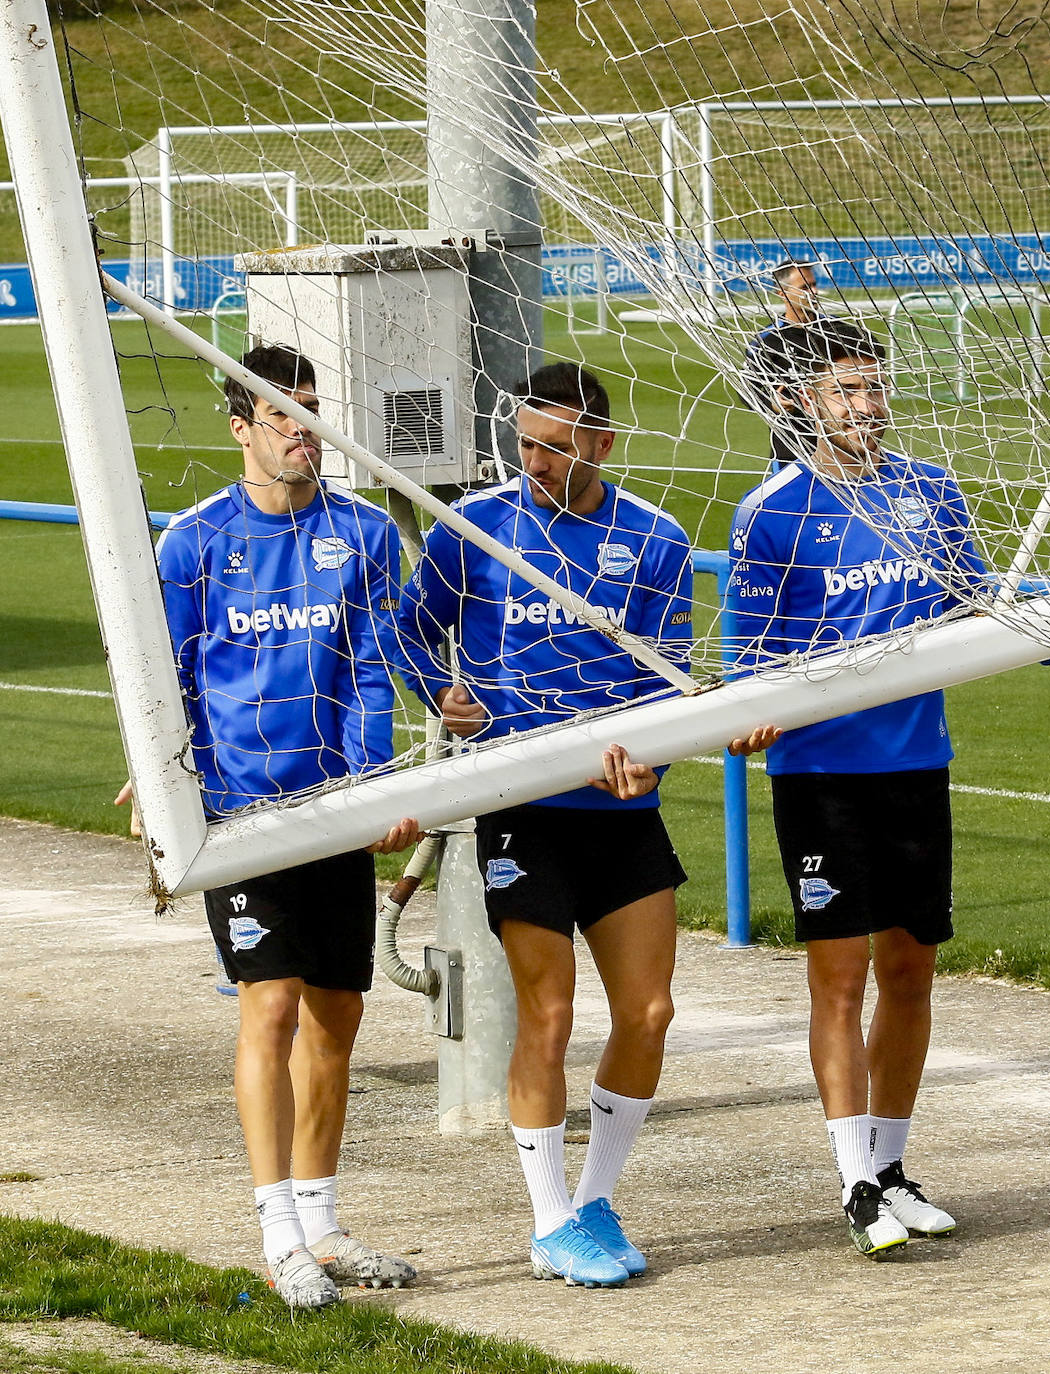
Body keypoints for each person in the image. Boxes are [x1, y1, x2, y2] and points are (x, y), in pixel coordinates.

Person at [396, 363, 770, 1288]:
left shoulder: (655, 538)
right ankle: (548, 1219)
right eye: (523, 443)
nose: (535, 462)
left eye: (554, 447)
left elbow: (671, 675)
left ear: (601, 443)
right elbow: (408, 630)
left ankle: (596, 1198)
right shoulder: (476, 527)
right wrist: (441, 694)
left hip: (620, 811)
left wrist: (652, 757)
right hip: (523, 811)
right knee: (551, 1013)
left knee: (649, 1012)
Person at [117, 344, 419, 1309]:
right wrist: (157, 775)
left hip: (334, 812)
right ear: (241, 427)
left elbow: (373, 670)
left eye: (314, 413)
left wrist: (374, 788)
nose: (304, 432)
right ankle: (277, 1229)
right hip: (241, 814)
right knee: (272, 1004)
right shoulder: (194, 543)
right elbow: (165, 675)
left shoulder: (365, 536)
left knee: (337, 1014)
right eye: (285, 416)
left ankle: (324, 1224)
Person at [726, 319, 990, 1259]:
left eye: (874, 388)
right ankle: (852, 1183)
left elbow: (977, 605)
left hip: (918, 763)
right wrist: (750, 713)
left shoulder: (932, 489)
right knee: (837, 979)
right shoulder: (771, 513)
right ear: (801, 402)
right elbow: (747, 661)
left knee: (911, 968)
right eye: (847, 391)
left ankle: (892, 1167)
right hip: (822, 776)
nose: (868, 407)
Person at [743, 259, 826, 470]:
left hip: (842, 445)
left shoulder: (837, 331)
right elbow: (746, 391)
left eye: (814, 285)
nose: (814, 292)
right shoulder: (767, 341)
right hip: (791, 449)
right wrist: (773, 404)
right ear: (783, 293)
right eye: (805, 287)